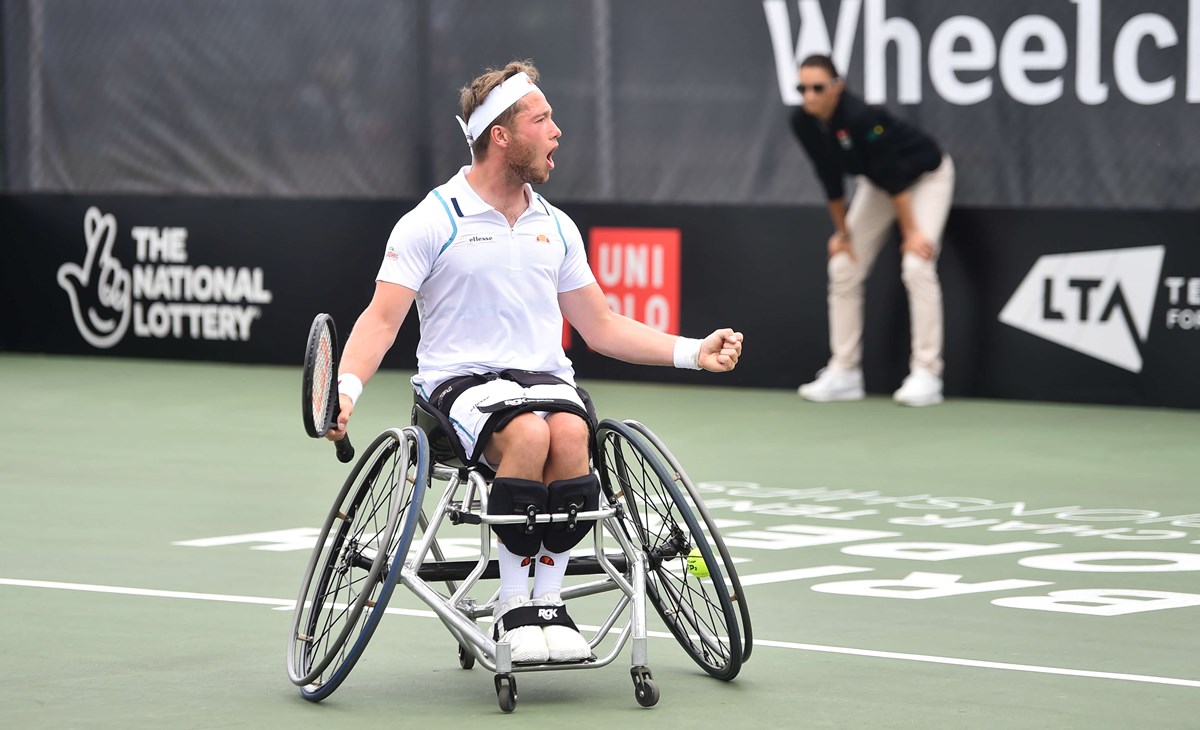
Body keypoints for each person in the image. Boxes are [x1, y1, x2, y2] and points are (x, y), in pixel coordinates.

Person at [325, 60, 743, 665]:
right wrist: (347, 387)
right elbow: (382, 319)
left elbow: (600, 327)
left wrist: (692, 353)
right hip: (457, 388)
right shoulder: (432, 220)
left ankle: (549, 602)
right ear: (502, 135)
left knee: (572, 434)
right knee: (526, 436)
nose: (557, 131)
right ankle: (513, 604)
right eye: (542, 119)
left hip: (546, 382)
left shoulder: (557, 226)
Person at [789, 54, 954, 407]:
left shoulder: (862, 117)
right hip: (880, 186)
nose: (809, 97)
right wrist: (843, 233)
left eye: (817, 88)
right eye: (802, 88)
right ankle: (845, 372)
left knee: (916, 265)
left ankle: (928, 373)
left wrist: (912, 233)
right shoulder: (802, 121)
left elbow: (894, 174)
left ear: (838, 86)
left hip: (926, 178)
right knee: (843, 266)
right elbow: (828, 177)